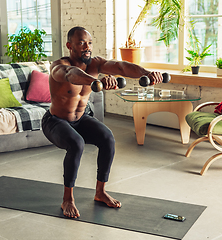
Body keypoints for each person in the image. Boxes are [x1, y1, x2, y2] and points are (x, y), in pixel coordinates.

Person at [42, 26, 163, 218]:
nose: (87, 47)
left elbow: (121, 66)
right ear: (69, 45)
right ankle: (68, 199)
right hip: (55, 122)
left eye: (89, 43)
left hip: (81, 118)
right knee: (76, 143)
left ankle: (100, 192)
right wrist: (93, 81)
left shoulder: (95, 63)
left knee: (107, 138)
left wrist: (146, 73)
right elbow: (70, 74)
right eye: (81, 43)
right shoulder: (58, 65)